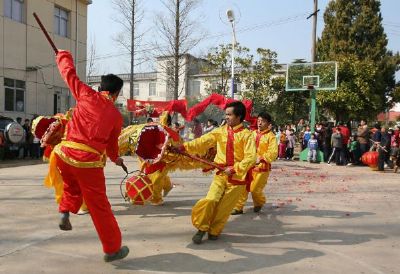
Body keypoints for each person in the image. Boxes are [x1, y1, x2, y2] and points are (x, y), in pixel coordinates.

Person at [53, 50, 128, 262]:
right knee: (99, 206)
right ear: (116, 93)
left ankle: (65, 212)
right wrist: (116, 159)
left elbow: (69, 73)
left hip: (64, 153)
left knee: (71, 186)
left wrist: (63, 55)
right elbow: (111, 146)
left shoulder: (85, 94)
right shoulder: (115, 116)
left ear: (100, 88)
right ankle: (112, 249)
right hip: (87, 161)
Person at [182, 101, 256, 244]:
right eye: (225, 114)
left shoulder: (247, 135)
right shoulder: (220, 131)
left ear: (239, 116)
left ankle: (214, 230)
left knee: (224, 208)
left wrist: (234, 168)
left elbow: (251, 157)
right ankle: (202, 227)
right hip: (221, 174)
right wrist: (183, 147)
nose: (226, 117)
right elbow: (202, 142)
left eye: (229, 114)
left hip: (237, 178)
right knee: (210, 199)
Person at [232, 112, 278, 215]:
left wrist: (261, 158)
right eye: (259, 121)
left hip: (262, 168)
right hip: (248, 166)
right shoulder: (251, 133)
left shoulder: (271, 137)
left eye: (263, 121)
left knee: (254, 189)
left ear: (268, 123)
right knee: (243, 187)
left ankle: (259, 202)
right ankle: (238, 207)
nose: (260, 123)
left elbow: (273, 152)